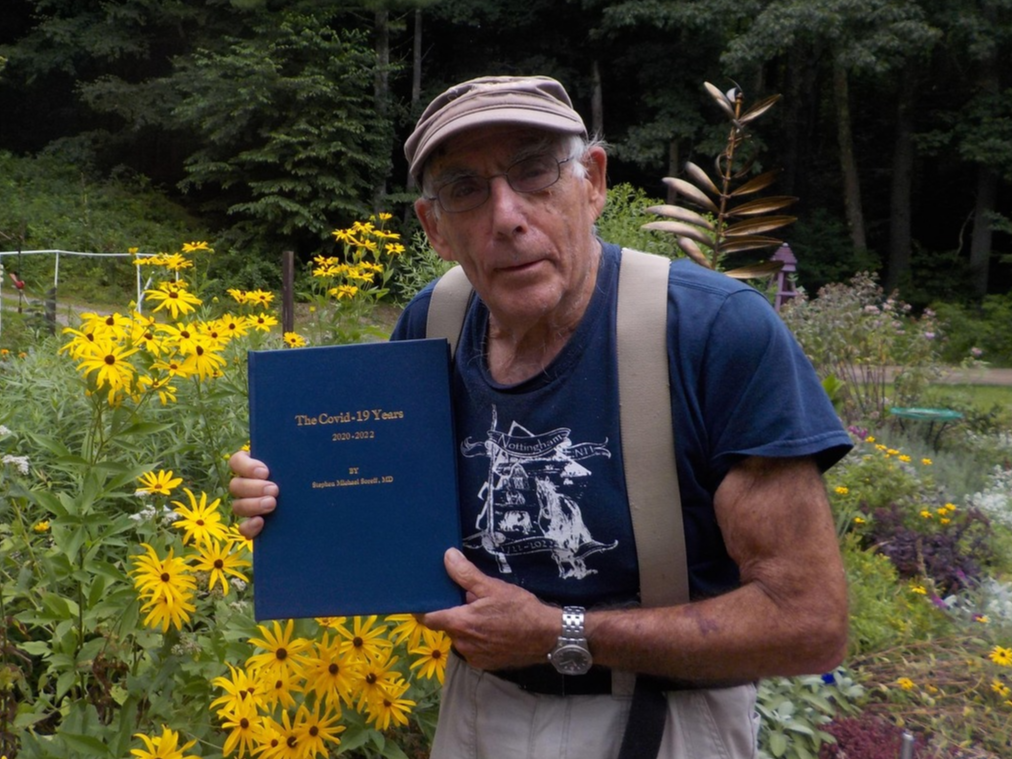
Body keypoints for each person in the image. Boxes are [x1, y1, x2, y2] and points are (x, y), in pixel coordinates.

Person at [230, 75, 854, 759]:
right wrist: (291, 500)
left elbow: (809, 622)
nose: (507, 215)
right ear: (434, 226)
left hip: (660, 718)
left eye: (533, 171)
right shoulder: (429, 329)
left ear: (592, 181)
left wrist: (562, 631)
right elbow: (393, 534)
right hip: (473, 711)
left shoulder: (714, 333)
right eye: (466, 188)